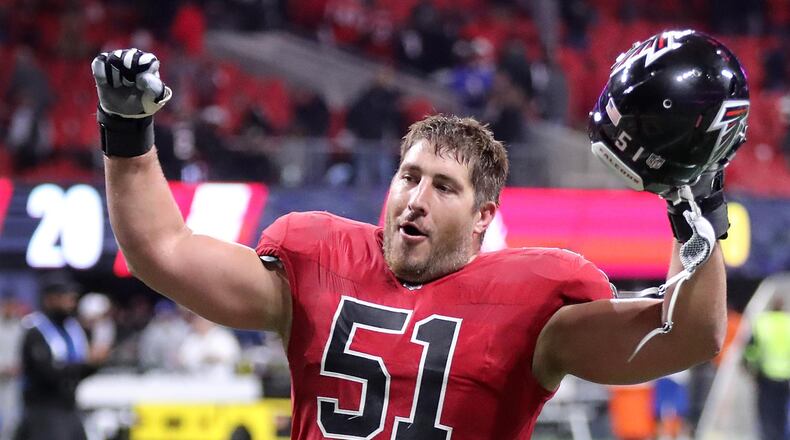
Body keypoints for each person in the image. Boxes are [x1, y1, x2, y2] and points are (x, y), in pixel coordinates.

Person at [91, 30, 743, 438]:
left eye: (444, 186)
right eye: (409, 176)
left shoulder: (534, 304)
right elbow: (162, 249)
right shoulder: (319, 261)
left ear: (484, 217)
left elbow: (687, 335)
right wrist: (127, 131)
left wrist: (696, 202)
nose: (416, 198)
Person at [14, 273, 103, 440]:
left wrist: (94, 364)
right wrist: (86, 365)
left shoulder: (73, 329)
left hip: (69, 407)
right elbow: (47, 373)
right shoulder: (35, 330)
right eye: (65, 296)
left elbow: (78, 371)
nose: (71, 301)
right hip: (43, 410)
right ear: (50, 299)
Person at [744, 297, 790, 440]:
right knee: (782, 412)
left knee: (766, 413)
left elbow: (751, 350)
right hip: (786, 377)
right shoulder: (788, 323)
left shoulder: (762, 322)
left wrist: (749, 367)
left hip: (766, 376)